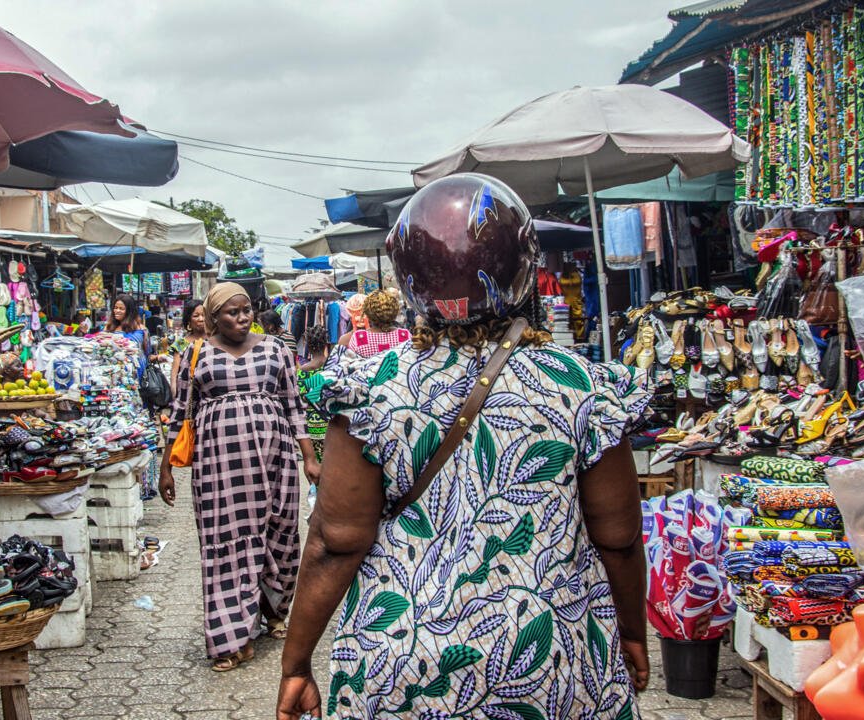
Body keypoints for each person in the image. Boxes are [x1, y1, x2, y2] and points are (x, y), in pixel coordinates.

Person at [276, 174, 651, 719]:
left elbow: (336, 541)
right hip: (554, 659)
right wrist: (632, 632)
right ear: (523, 267)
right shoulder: (582, 388)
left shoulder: (374, 390)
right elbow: (619, 539)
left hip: (402, 661)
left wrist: (295, 663)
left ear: (410, 280)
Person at [159, 282, 321, 672]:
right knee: (225, 544)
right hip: (219, 467)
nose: (243, 318)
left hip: (275, 459)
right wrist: (165, 467)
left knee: (280, 536)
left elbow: (293, 405)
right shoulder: (196, 353)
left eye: (246, 310)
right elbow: (180, 412)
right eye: (233, 312)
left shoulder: (276, 349)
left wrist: (310, 457)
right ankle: (232, 640)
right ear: (215, 318)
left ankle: (275, 610)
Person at [336, 289, 411, 358]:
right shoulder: (404, 335)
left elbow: (350, 363)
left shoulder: (358, 338)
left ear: (368, 313)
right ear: (395, 312)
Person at [296, 325, 330, 464]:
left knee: (316, 465)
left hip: (311, 427)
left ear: (307, 345)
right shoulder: (334, 367)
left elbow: (302, 400)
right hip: (332, 426)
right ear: (326, 343)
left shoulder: (302, 372)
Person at [170, 299, 206, 396]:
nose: (201, 319)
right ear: (188, 320)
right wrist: (174, 391)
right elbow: (174, 371)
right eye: (196, 316)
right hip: (187, 392)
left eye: (204, 315)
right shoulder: (182, 342)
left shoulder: (214, 340)